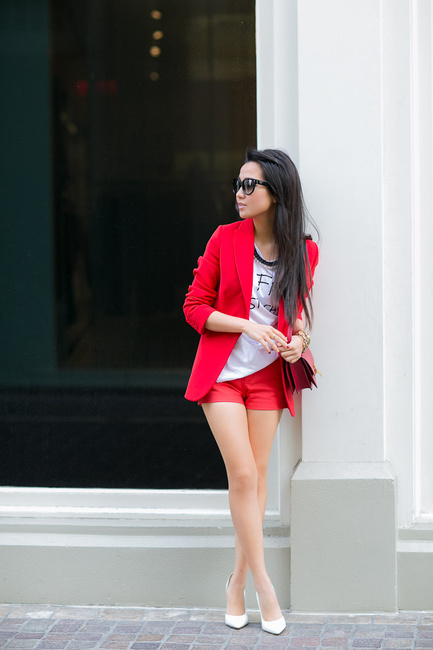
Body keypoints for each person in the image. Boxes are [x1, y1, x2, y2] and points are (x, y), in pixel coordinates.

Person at [183, 148, 319, 635]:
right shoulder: (225, 239)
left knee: (257, 479)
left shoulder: (304, 250)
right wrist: (245, 325)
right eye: (237, 184)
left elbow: (299, 313)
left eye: (248, 185)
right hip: (222, 375)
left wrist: (296, 343)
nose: (238, 194)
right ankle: (265, 586)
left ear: (275, 194)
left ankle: (235, 582)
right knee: (242, 474)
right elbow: (194, 308)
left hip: (267, 379)